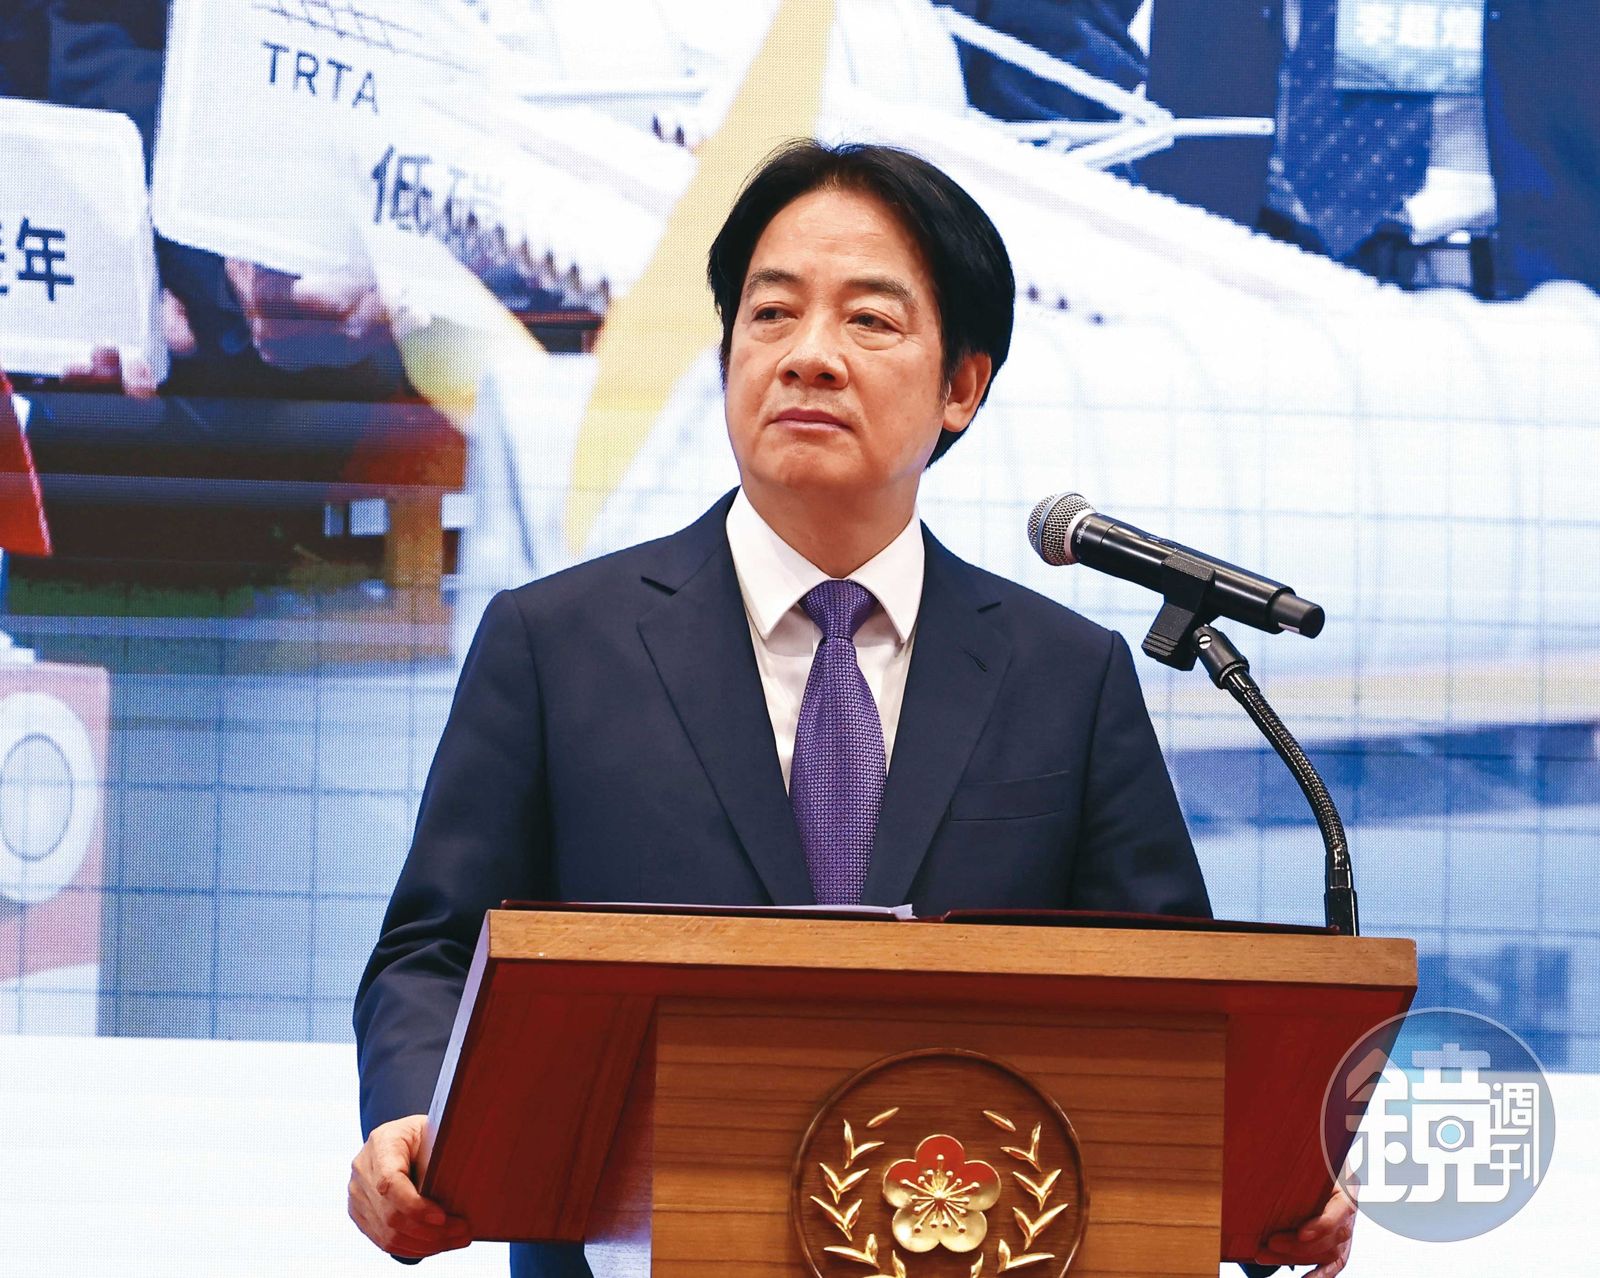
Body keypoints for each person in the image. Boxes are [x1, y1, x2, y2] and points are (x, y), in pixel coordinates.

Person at [348, 140, 1355, 1277]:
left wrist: (1276, 1182)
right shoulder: (556, 642)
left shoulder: (1063, 675)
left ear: (961, 386)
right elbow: (434, 951)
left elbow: (1172, 1007)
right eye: (771, 314)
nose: (808, 356)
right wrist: (410, 1118)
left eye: (869, 321)